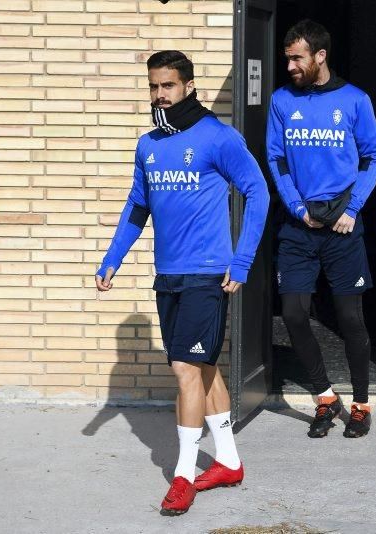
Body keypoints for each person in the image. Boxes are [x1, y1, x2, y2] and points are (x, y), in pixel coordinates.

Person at [96, 50, 269, 515]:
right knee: (204, 368)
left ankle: (183, 475)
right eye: (153, 86)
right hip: (167, 274)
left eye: (167, 86)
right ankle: (228, 462)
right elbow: (138, 206)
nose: (159, 95)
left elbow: (258, 191)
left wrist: (243, 259)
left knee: (185, 371)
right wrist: (113, 259)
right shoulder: (148, 144)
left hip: (208, 272)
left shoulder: (218, 137)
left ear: (189, 86)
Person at [266, 20, 376, 439]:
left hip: (342, 227)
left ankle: (361, 405)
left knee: (351, 320)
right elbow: (276, 159)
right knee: (295, 314)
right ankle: (325, 397)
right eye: (288, 58)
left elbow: (373, 157)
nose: (291, 66)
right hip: (299, 226)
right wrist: (296, 207)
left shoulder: (354, 100)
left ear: (320, 56)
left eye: (297, 58)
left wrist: (352, 208)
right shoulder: (282, 100)